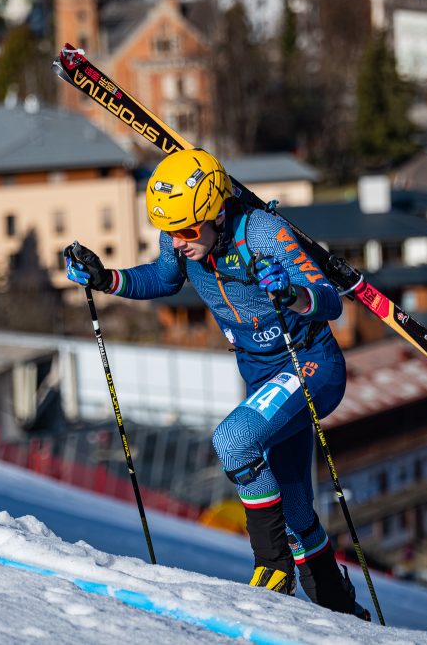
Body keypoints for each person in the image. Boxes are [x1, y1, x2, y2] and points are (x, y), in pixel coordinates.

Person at [64, 148, 368, 620]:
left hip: (310, 365)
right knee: (295, 513)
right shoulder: (182, 237)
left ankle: (272, 569)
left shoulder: (263, 233)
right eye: (170, 231)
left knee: (233, 440)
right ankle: (347, 616)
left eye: (187, 231)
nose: (178, 242)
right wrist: (106, 279)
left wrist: (290, 293)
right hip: (260, 375)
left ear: (218, 213)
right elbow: (163, 279)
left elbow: (330, 301)